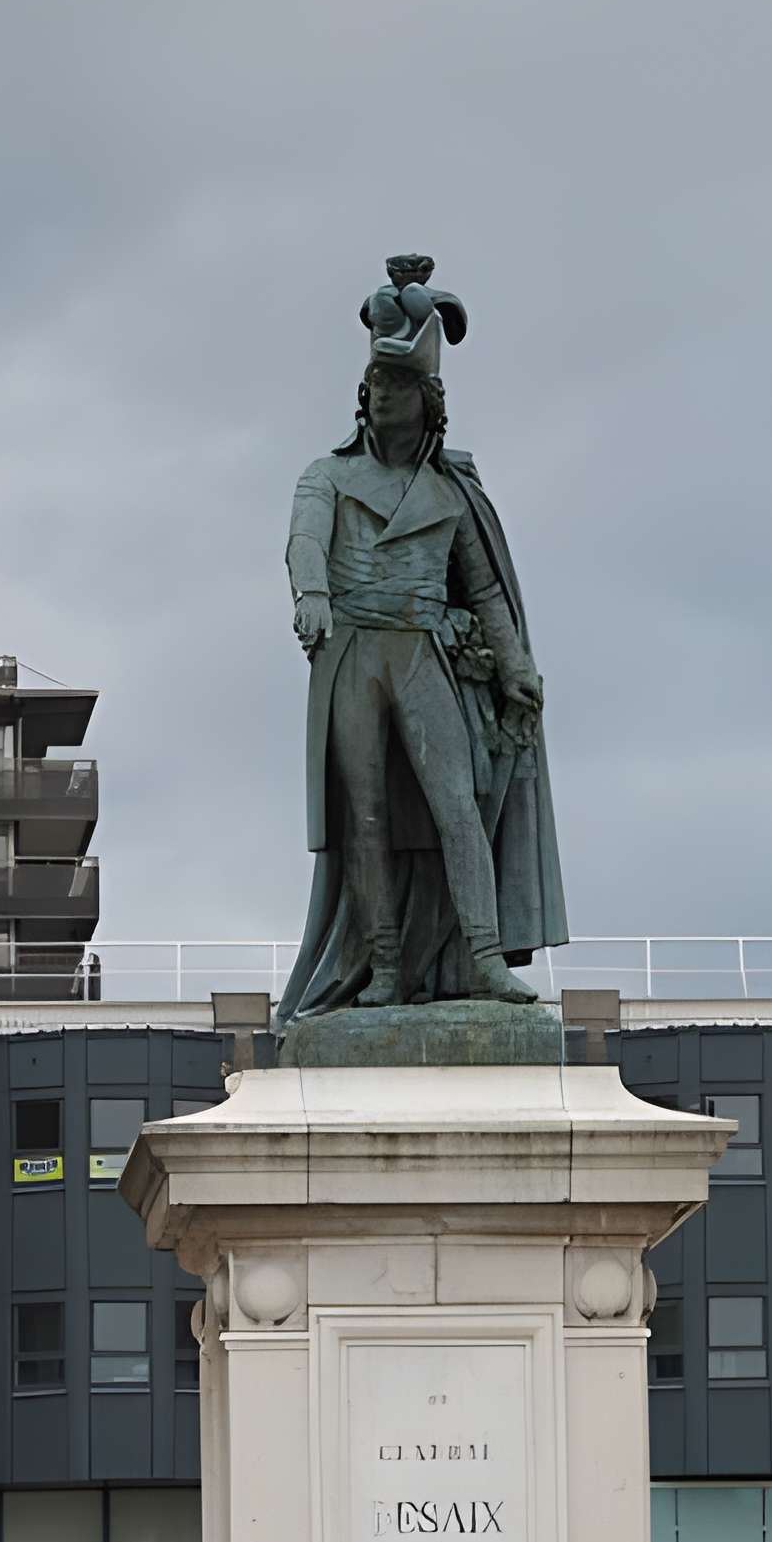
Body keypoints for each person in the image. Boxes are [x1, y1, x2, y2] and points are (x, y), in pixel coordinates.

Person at [276, 255, 568, 1024]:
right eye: (377, 383)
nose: (384, 394)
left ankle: (481, 956)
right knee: (363, 818)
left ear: (427, 399)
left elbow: (488, 592)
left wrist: (515, 669)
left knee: (457, 805)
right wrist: (310, 596)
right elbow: (304, 542)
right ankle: (379, 965)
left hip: (421, 653)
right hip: (352, 655)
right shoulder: (326, 477)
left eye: (400, 384)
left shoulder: (449, 493)